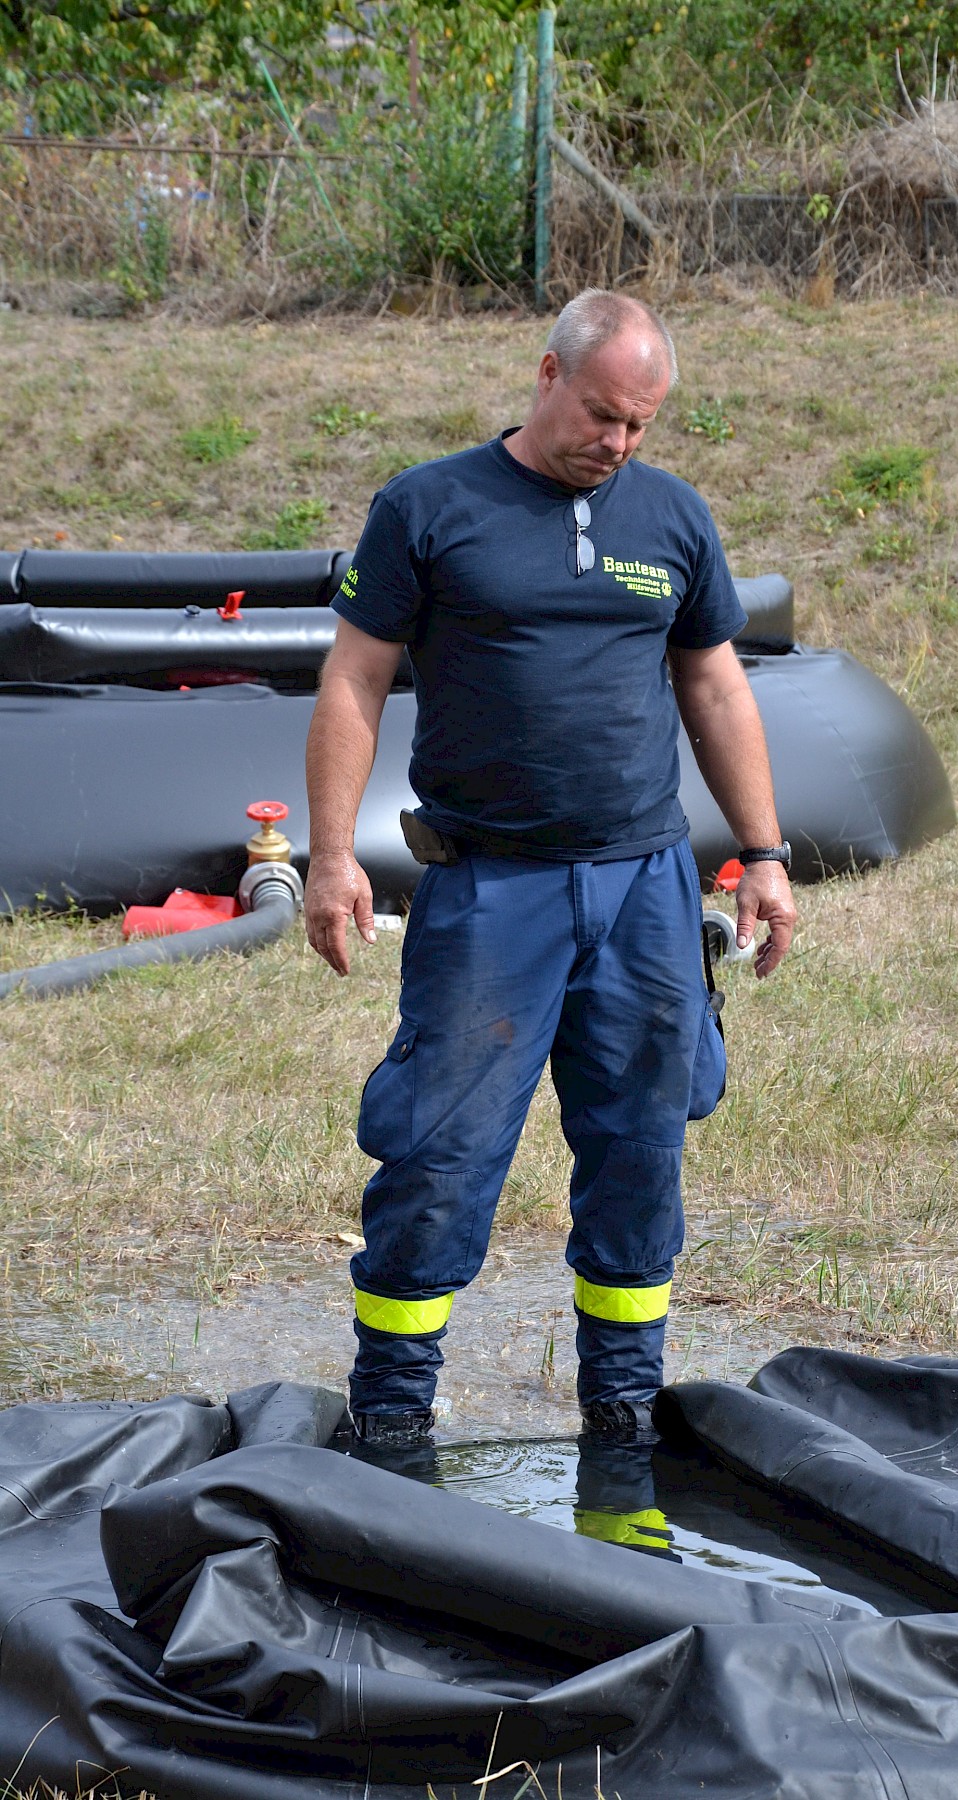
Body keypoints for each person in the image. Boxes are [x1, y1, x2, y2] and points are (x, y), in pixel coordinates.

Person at [305, 288, 796, 1447]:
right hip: (492, 889)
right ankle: (391, 1412)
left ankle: (623, 1403)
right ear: (546, 374)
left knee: (642, 1144)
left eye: (639, 424)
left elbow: (716, 684)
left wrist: (765, 854)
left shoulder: (671, 518)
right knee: (440, 1148)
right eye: (601, 414)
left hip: (646, 890)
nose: (616, 444)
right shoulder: (430, 507)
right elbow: (353, 679)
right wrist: (332, 856)